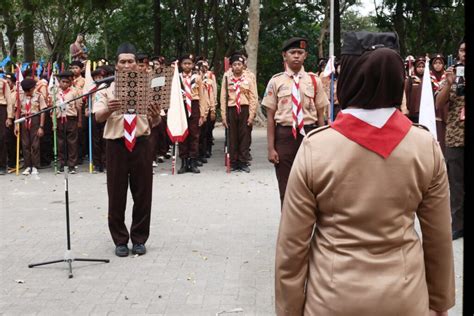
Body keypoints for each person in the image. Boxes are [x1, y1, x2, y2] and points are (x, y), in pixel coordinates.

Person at [275, 31, 455, 316]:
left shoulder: (316, 148)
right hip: (406, 299)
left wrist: (289, 311)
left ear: (348, 78)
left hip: (332, 301)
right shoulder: (425, 147)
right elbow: (439, 239)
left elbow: (292, 248)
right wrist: (440, 303)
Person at [93, 42, 161, 257]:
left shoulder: (149, 89)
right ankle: (120, 240)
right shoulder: (106, 90)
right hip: (116, 145)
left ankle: (139, 239)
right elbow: (98, 117)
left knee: (143, 194)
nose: (127, 64)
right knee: (116, 194)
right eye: (122, 61)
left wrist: (155, 114)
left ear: (137, 64)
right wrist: (108, 109)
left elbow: (157, 121)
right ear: (117, 65)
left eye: (131, 61)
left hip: (141, 143)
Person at [262, 37, 328, 205]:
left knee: (312, 183)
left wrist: (322, 145)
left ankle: (308, 226)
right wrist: (271, 148)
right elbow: (270, 117)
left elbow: (321, 115)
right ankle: (288, 226)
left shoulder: (314, 80)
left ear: (305, 55)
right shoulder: (276, 81)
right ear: (284, 56)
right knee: (286, 183)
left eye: (300, 52)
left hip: (310, 134)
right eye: (292, 52)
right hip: (284, 135)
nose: (296, 56)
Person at [435, 38, 465, 240]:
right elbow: (438, 103)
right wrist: (449, 83)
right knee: (455, 185)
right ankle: (458, 225)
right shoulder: (452, 75)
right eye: (462, 50)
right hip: (456, 137)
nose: (465, 54)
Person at [220, 53, 258, 172]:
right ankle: (234, 162)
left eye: (239, 64)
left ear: (243, 66)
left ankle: (243, 161)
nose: (237, 67)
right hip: (231, 108)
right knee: (232, 136)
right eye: (235, 64)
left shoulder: (248, 78)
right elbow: (223, 96)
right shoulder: (227, 77)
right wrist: (223, 115)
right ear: (231, 66)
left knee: (244, 136)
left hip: (244, 108)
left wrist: (251, 115)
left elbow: (253, 97)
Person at [177, 54, 209, 174]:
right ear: (181, 65)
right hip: (182, 106)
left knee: (194, 135)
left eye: (189, 63)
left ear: (193, 65)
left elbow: (202, 96)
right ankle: (184, 162)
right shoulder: (178, 78)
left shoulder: (197, 78)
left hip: (194, 106)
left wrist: (202, 114)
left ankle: (193, 161)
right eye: (185, 63)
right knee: (183, 135)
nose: (187, 65)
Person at [14, 78, 47, 175]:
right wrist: (16, 125)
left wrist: (41, 126)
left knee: (35, 144)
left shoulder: (39, 96)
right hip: (24, 120)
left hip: (35, 119)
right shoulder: (20, 97)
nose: (29, 91)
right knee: (25, 144)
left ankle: (35, 166)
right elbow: (17, 111)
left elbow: (42, 112)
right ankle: (27, 166)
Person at [53, 71, 82, 173]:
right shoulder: (55, 93)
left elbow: (78, 107)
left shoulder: (74, 92)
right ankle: (62, 163)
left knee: (72, 142)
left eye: (67, 82)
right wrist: (53, 123)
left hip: (71, 118)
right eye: (62, 82)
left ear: (70, 83)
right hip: (59, 119)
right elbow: (53, 108)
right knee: (61, 142)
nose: (64, 84)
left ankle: (72, 165)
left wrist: (79, 120)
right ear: (59, 82)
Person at [430, 54, 447, 153]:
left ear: (444, 65)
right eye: (435, 63)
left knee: (443, 137)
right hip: (432, 112)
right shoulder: (428, 78)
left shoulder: (448, 78)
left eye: (440, 63)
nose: (437, 65)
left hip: (445, 113)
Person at [404, 56, 425, 123]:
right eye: (419, 67)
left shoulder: (429, 80)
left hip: (424, 111)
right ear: (415, 68)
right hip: (412, 111)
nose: (421, 69)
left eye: (423, 67)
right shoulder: (411, 79)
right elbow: (407, 93)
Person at [0, 75, 12, 174]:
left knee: (2, 138)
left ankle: (2, 165)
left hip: (1, 110)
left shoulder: (3, 83)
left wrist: (9, 117)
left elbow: (9, 101)